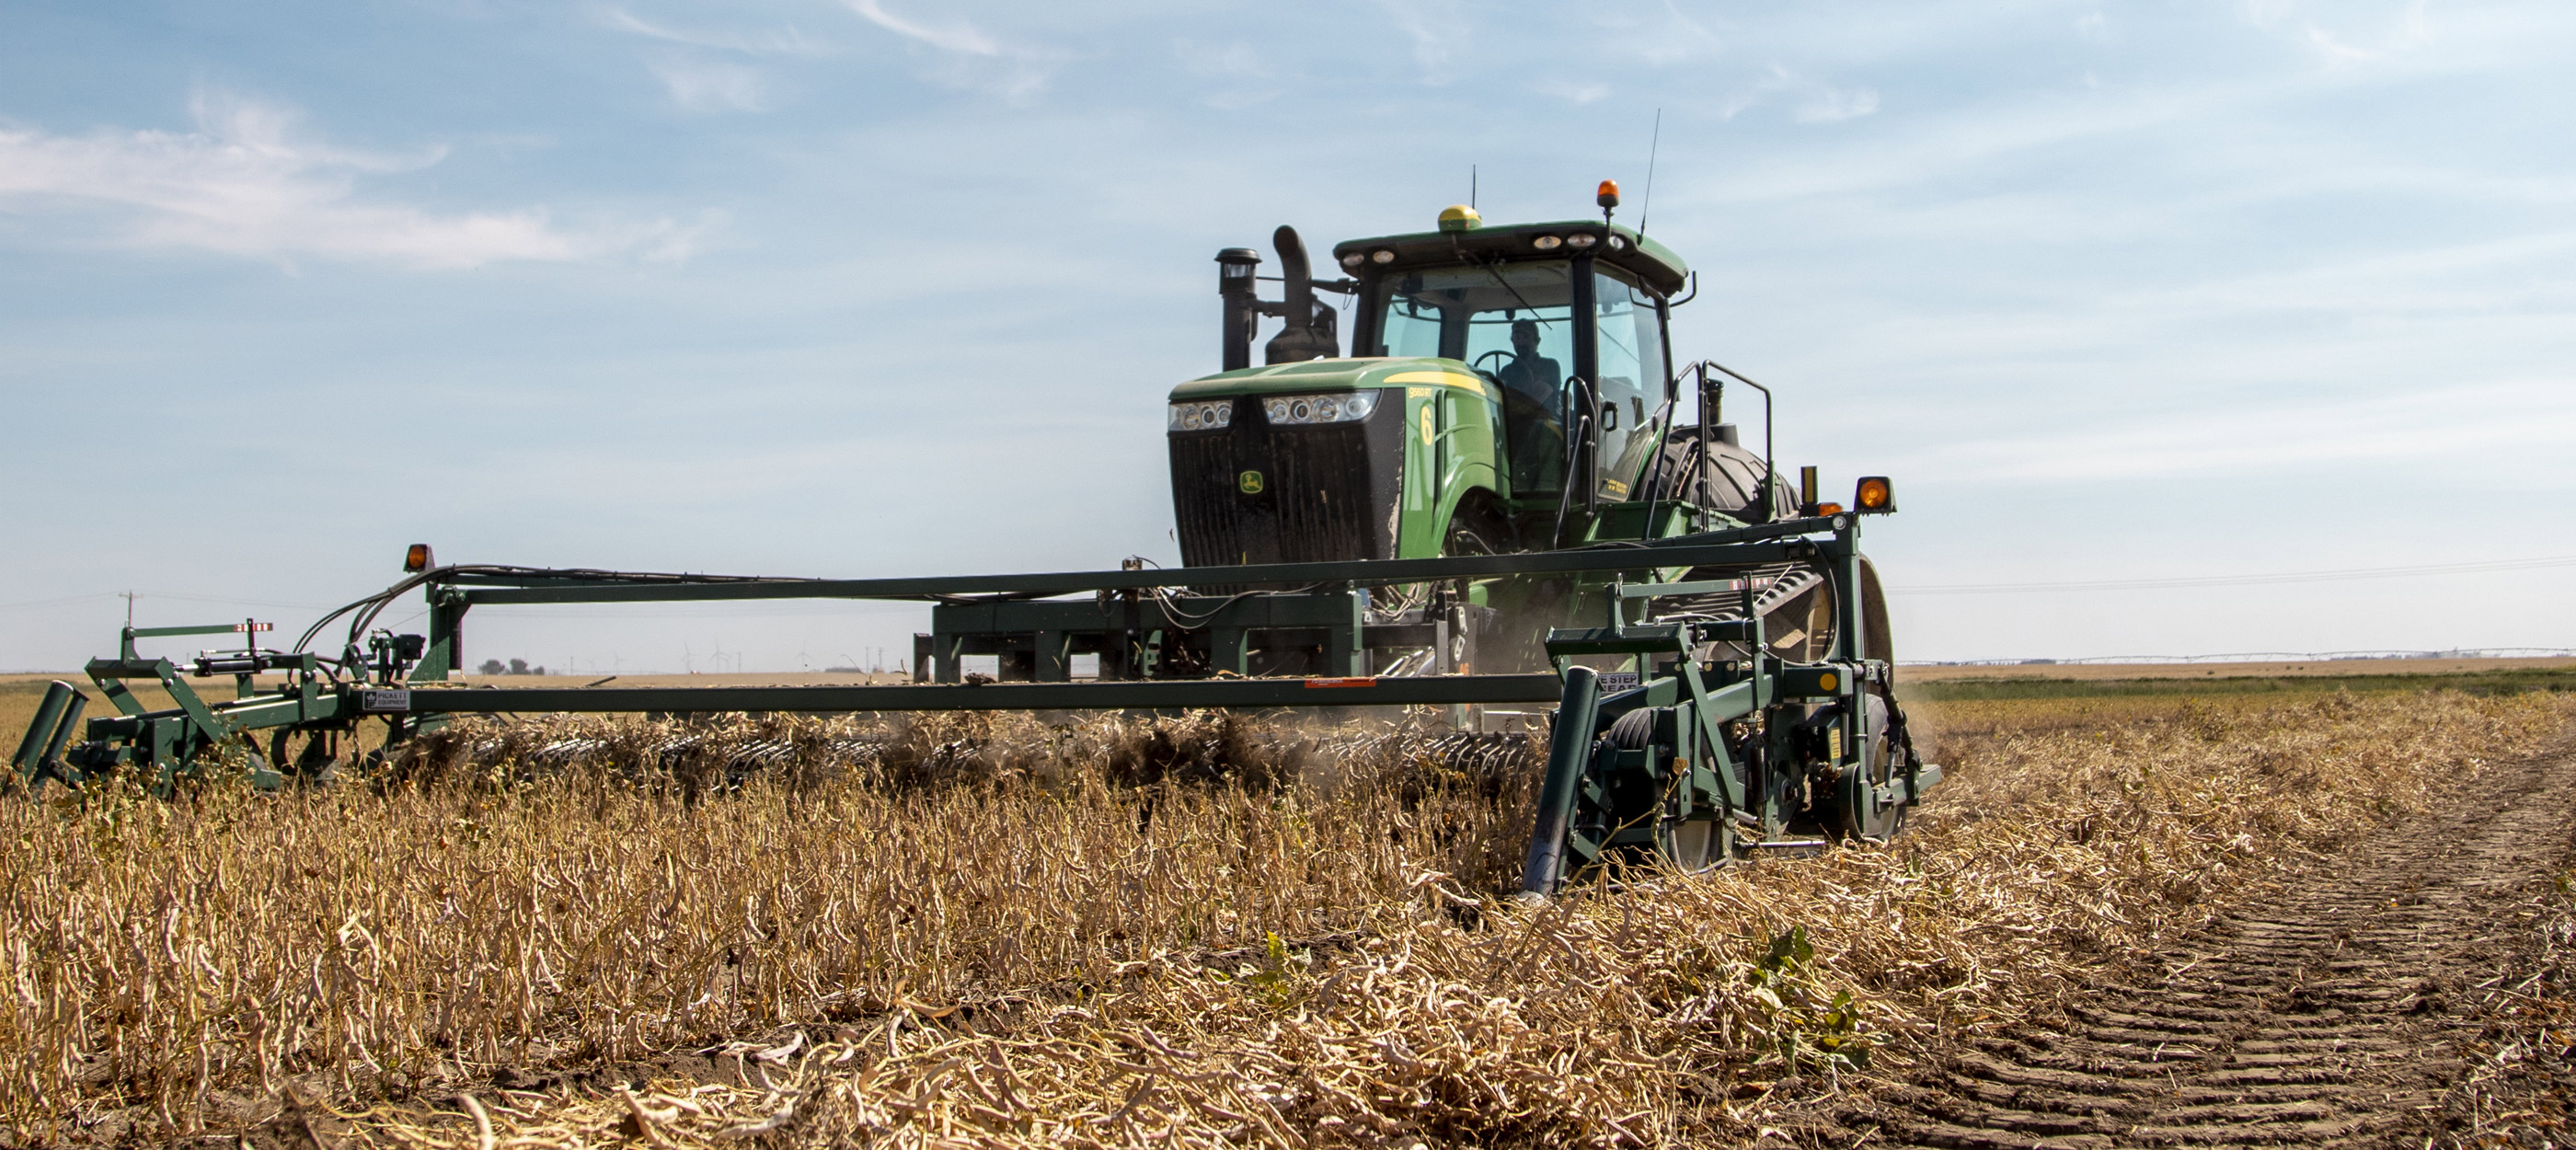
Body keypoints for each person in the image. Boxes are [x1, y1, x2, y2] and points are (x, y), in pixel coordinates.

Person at [1492, 318, 1567, 493]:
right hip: (1516, 422)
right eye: (1516, 337)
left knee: (1535, 428)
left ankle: (1544, 488)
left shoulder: (1550, 366)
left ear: (1537, 341)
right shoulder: (1507, 371)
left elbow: (1539, 396)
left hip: (1547, 423)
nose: (1520, 342)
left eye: (1525, 337)